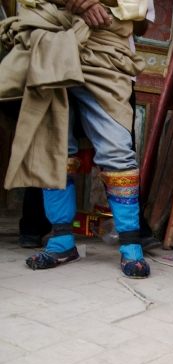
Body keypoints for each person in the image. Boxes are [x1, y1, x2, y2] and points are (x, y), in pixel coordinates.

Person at [0, 0, 153, 278]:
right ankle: (61, 242)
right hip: (51, 44)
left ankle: (131, 245)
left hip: (107, 53)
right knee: (53, 145)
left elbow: (141, 21)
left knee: (118, 148)